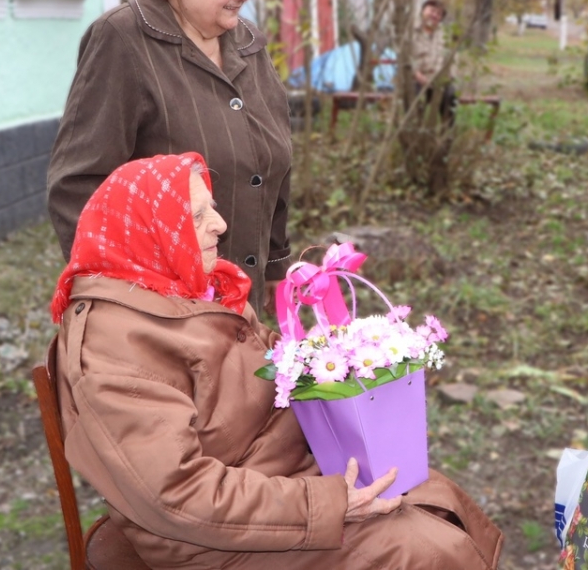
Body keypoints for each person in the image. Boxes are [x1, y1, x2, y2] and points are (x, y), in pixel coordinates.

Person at [50, 152, 504, 569]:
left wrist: (350, 359)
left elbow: (274, 363)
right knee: (422, 553)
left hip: (279, 477)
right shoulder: (115, 348)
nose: (221, 224)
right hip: (217, 536)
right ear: (147, 231)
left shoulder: (197, 290)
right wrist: (327, 504)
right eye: (198, 214)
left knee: (432, 493)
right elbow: (175, 495)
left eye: (212, 207)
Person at [47, 0, 290, 315]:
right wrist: (123, 295)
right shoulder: (123, 39)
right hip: (163, 311)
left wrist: (276, 264)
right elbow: (78, 183)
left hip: (242, 300)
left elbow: (270, 162)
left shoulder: (247, 42)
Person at [408, 0, 456, 123]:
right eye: (432, 11)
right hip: (416, 80)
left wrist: (447, 78)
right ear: (423, 11)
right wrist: (417, 75)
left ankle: (446, 136)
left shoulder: (445, 34)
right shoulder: (410, 32)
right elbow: (405, 59)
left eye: (439, 14)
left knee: (450, 95)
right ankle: (415, 132)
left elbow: (453, 60)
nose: (435, 15)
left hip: (438, 81)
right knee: (414, 96)